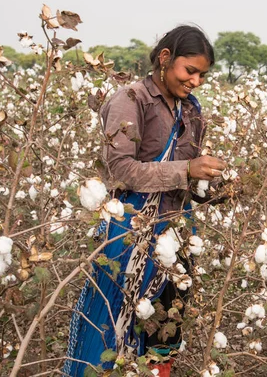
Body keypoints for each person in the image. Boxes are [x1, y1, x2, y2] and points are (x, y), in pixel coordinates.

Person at [63, 25, 227, 376]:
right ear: (165, 59)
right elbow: (120, 168)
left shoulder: (192, 113)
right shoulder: (132, 100)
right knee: (115, 326)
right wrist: (187, 169)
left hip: (176, 235)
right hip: (131, 231)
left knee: (163, 331)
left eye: (203, 75)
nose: (196, 81)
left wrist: (216, 190)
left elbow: (189, 180)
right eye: (190, 71)